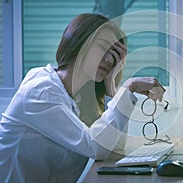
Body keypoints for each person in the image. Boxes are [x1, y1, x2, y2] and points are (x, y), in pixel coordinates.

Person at [0, 13, 165, 182]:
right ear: (78, 44)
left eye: (115, 55)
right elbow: (96, 147)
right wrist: (129, 87)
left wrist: (111, 90)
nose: (109, 60)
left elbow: (113, 151)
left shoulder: (76, 100)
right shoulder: (42, 91)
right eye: (103, 47)